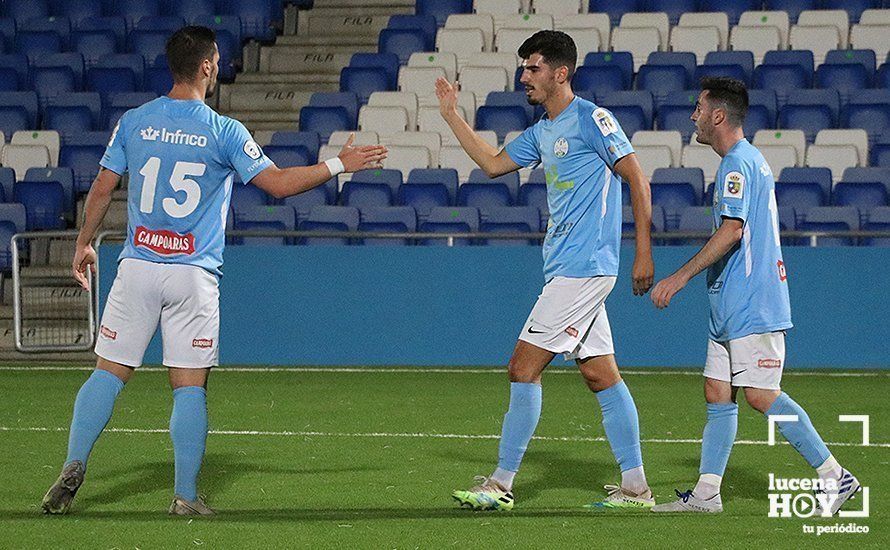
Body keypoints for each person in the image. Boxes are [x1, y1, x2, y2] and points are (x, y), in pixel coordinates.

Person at [41, 26, 387, 516]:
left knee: (108, 374)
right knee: (189, 386)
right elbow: (280, 185)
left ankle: (73, 465)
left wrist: (82, 245)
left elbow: (101, 186)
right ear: (207, 66)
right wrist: (339, 164)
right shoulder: (223, 130)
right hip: (192, 275)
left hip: (137, 266)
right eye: (218, 60)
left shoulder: (135, 122)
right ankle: (184, 496)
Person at [439, 30, 656, 511]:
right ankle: (637, 487)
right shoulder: (543, 131)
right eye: (523, 69)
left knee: (522, 367)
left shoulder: (593, 120)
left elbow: (637, 177)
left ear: (561, 72)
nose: (524, 77)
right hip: (567, 269)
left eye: (532, 68)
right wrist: (452, 116)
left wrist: (643, 252)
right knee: (601, 375)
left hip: (585, 268)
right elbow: (495, 164)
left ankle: (500, 483)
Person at [649, 77, 859, 514]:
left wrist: (679, 276)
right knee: (717, 391)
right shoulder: (747, 160)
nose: (693, 117)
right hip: (730, 303)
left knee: (760, 395)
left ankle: (834, 476)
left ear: (718, 115)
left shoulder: (737, 164)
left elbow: (732, 230)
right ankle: (707, 494)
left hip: (752, 303)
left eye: (699, 109)